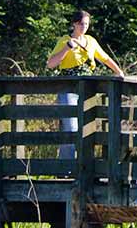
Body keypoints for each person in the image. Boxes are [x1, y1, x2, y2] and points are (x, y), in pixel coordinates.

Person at [47, 10, 124, 158]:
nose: (84, 27)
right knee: (71, 128)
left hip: (88, 89)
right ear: (74, 24)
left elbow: (105, 58)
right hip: (68, 88)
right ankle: (67, 167)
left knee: (85, 128)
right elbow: (51, 64)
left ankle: (79, 167)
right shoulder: (64, 40)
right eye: (81, 24)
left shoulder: (91, 41)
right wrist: (67, 47)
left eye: (87, 24)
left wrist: (119, 72)